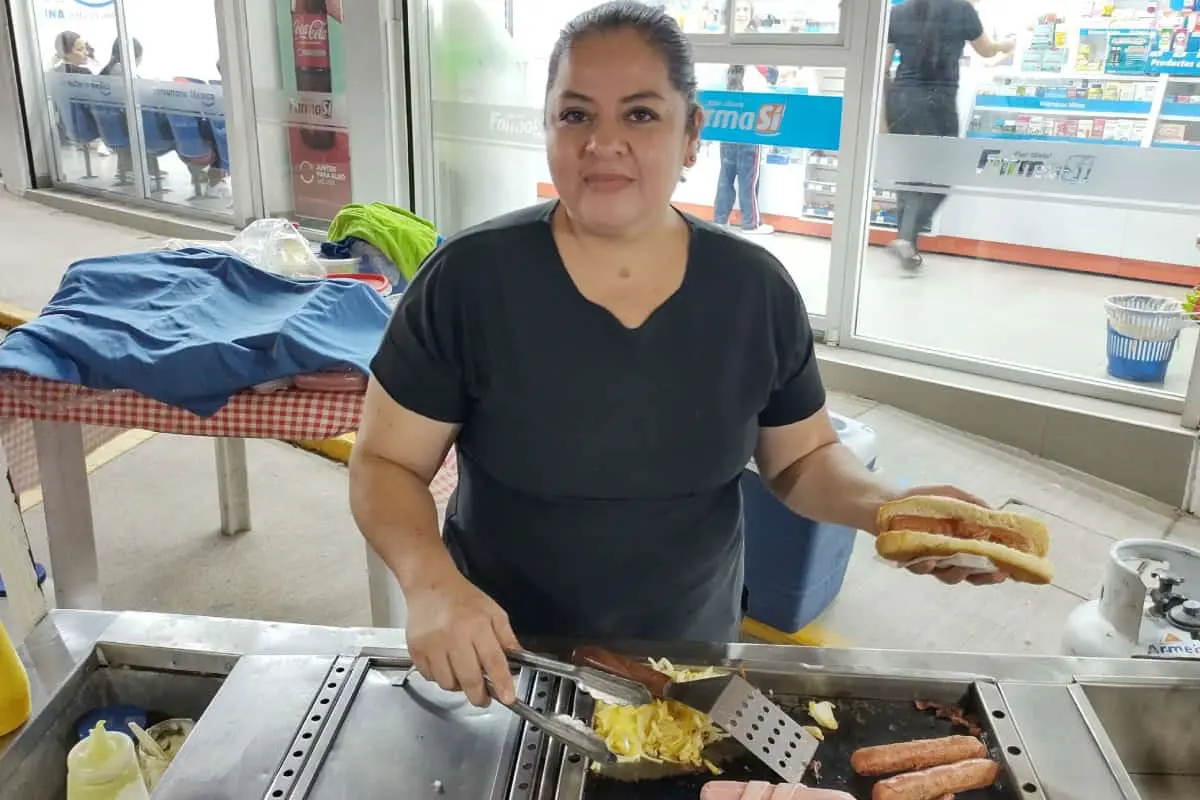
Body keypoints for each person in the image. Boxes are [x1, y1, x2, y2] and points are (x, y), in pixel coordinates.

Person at [349, 0, 1005, 710]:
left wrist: (892, 509)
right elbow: (386, 463)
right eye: (575, 115)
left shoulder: (753, 291)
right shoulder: (470, 281)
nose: (603, 143)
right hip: (503, 655)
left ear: (692, 133)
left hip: (689, 659)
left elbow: (802, 460)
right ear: (546, 126)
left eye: (639, 114)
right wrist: (431, 582)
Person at [883, 0, 1013, 271]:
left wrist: (883, 112)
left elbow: (882, 63)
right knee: (944, 174)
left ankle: (907, 244)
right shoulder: (961, 8)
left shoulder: (899, 11)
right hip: (938, 100)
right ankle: (906, 238)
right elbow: (986, 50)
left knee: (909, 174)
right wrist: (1007, 45)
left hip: (902, 97)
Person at [712, 64, 774, 235]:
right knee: (749, 181)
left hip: (728, 131)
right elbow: (766, 106)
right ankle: (750, 223)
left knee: (725, 178)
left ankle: (719, 220)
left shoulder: (725, 72)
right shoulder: (755, 76)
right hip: (750, 132)